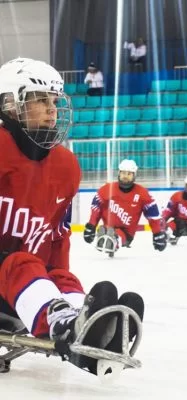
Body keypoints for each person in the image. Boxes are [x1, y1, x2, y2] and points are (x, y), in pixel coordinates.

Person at [0, 57, 143, 375]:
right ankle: (60, 322)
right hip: (9, 276)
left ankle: (87, 324)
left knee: (56, 274)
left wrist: (57, 280)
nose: (52, 109)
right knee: (21, 264)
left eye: (53, 100)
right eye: (39, 100)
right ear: (10, 104)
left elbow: (56, 238)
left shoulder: (64, 166)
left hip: (20, 287)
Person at [83, 159, 167, 255]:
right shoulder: (106, 189)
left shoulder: (143, 193)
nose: (125, 176)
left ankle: (113, 240)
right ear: (119, 173)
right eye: (123, 173)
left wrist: (158, 233)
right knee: (108, 231)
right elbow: (95, 208)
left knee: (114, 235)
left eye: (129, 174)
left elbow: (153, 216)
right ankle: (107, 237)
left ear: (134, 175)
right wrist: (91, 226)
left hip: (126, 232)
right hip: (108, 227)